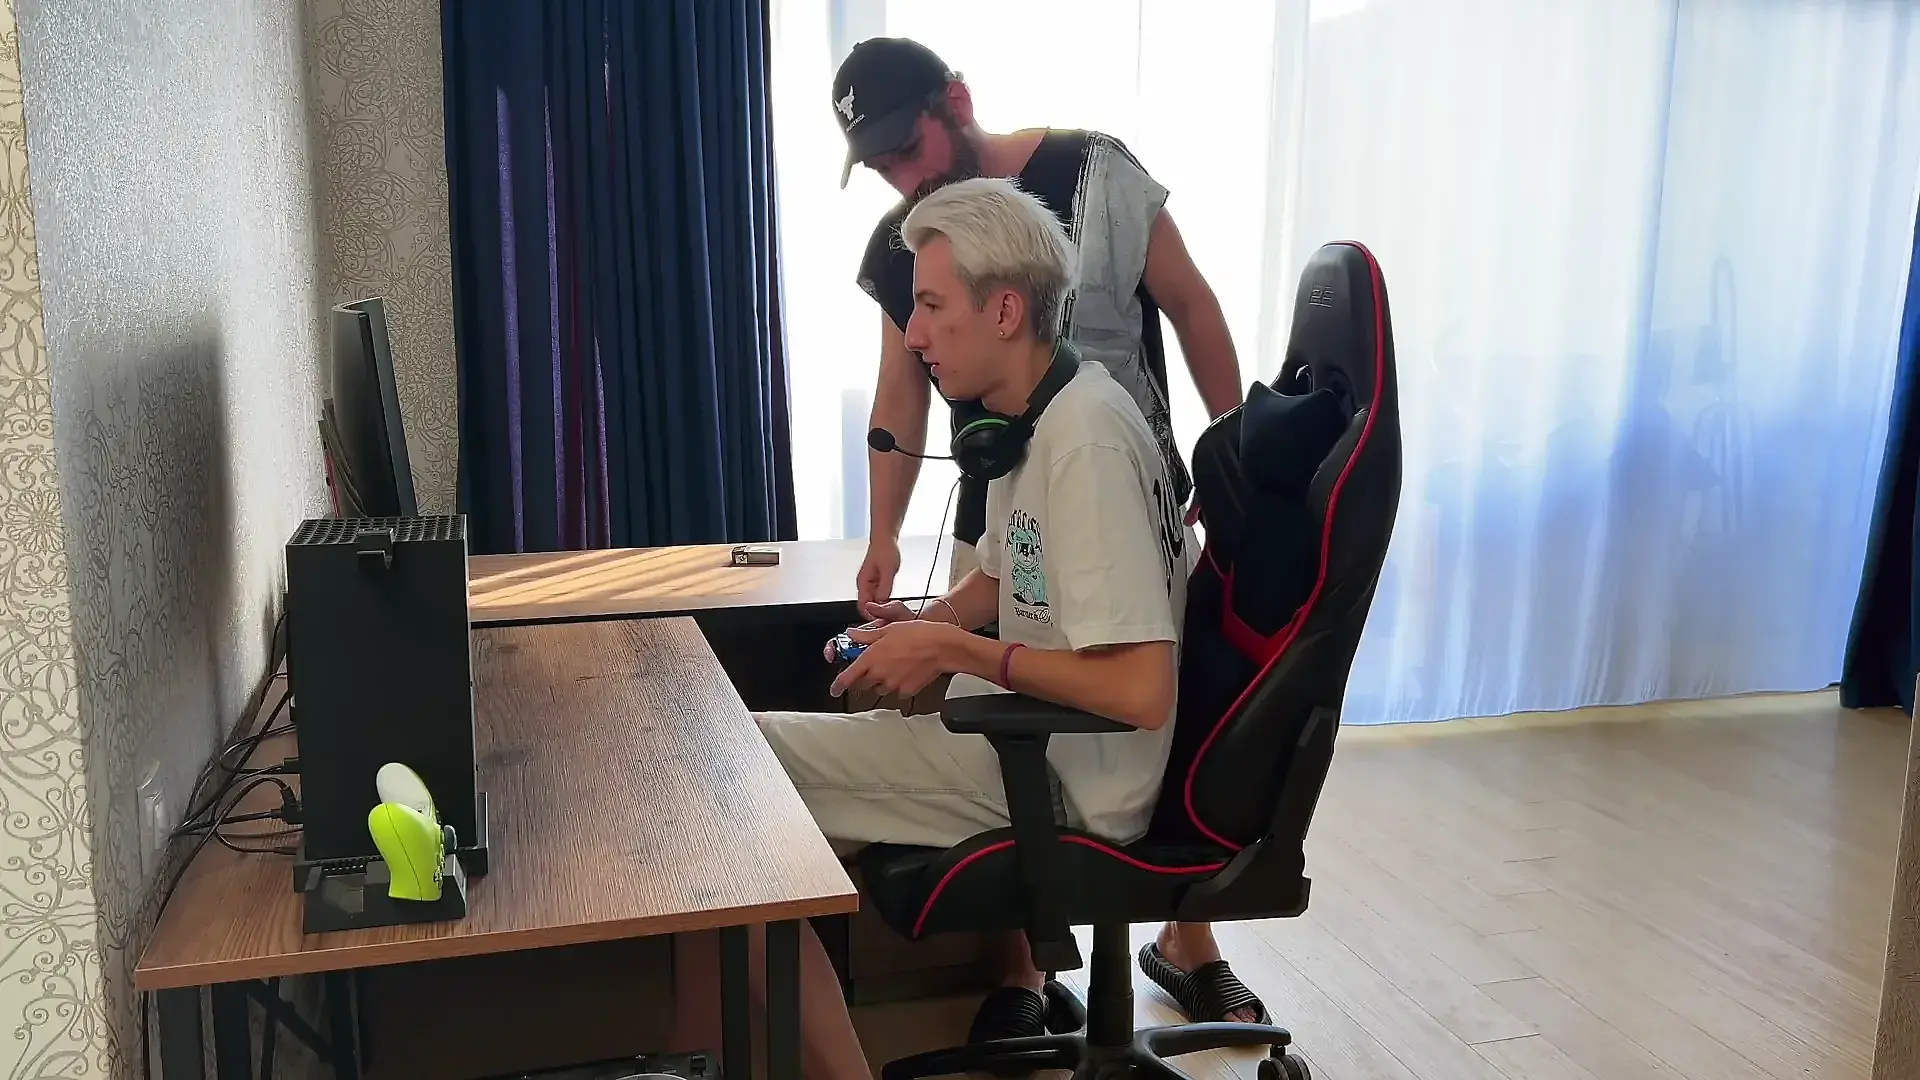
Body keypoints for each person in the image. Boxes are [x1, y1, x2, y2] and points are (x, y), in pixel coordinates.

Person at [671, 176, 1191, 1080]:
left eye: (930, 305)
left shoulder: (1086, 444)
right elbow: (1010, 572)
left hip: (1064, 777)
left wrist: (952, 650)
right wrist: (930, 621)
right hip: (1026, 744)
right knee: (724, 788)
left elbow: (1141, 689)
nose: (912, 334)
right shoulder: (1043, 415)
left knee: (718, 782)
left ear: (1004, 311)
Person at [833, 36, 1268, 1030]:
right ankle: (1032, 971)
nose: (902, 178)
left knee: (1116, 706)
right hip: (1015, 479)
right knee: (1031, 693)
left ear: (956, 103)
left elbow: (1191, 305)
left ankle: (1182, 937)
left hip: (1109, 477)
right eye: (882, 165)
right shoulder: (912, 243)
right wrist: (889, 545)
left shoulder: (1095, 172)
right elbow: (901, 389)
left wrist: (1230, 455)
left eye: (907, 148)